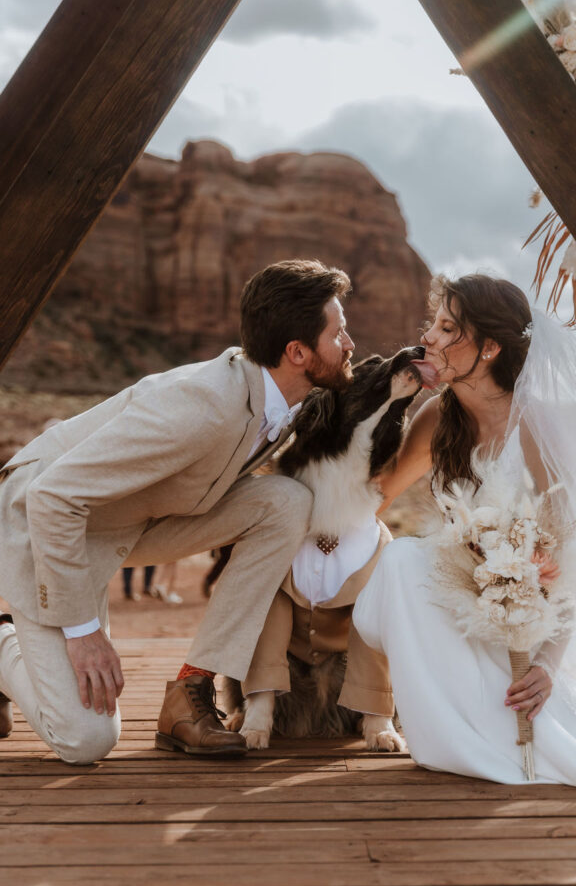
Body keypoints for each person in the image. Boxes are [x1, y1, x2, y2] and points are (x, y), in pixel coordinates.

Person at [0, 260, 354, 763]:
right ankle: (3, 646)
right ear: (297, 352)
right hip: (45, 525)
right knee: (85, 740)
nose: (350, 344)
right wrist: (82, 633)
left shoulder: (287, 398)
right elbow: (52, 497)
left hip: (136, 520)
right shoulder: (203, 406)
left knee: (285, 503)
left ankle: (189, 691)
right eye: (339, 333)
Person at [353, 273, 576, 796]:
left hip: (529, 622)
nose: (428, 340)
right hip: (460, 601)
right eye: (431, 326)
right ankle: (451, 729)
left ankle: (487, 729)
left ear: (488, 348)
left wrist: (547, 667)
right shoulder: (438, 417)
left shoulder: (533, 427)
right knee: (403, 561)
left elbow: (573, 558)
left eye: (446, 329)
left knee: (407, 563)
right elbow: (377, 495)